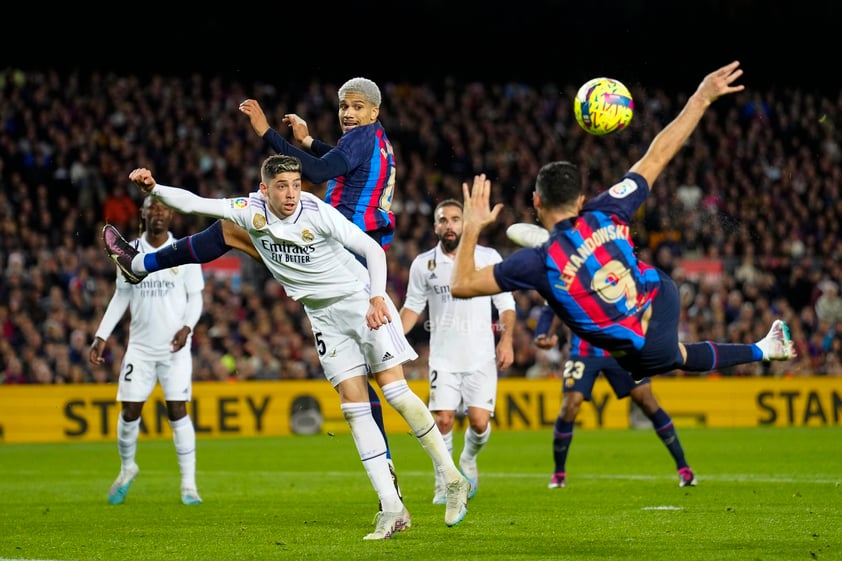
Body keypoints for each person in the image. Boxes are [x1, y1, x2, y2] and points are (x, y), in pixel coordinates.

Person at [118, 155, 470, 540]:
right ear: (264, 188)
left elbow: (373, 251)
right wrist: (155, 189)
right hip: (322, 318)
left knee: (396, 394)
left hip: (358, 302)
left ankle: (452, 479)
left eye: (296, 184)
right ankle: (391, 508)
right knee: (354, 411)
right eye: (282, 186)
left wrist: (376, 298)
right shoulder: (247, 210)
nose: (291, 193)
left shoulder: (316, 212)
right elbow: (194, 203)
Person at [105, 77, 401, 503]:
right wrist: (311, 139)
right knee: (371, 384)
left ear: (374, 112)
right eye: (343, 106)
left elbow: (317, 172)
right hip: (347, 255)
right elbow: (337, 161)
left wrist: (267, 132)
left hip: (338, 256)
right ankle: (394, 475)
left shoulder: (361, 138)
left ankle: (140, 265)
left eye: (356, 107)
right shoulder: (378, 141)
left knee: (229, 229)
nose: (348, 114)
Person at [450, 61, 796, 382]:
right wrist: (701, 97)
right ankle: (764, 348)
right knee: (672, 352)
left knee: (649, 356)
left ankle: (762, 349)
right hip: (660, 293)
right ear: (581, 199)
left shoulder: (534, 262)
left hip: (640, 346)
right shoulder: (607, 209)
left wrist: (472, 229)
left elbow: (461, 285)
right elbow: (659, 152)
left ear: (536, 201)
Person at [90, 196, 205, 506]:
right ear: (142, 214)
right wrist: (101, 335)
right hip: (139, 348)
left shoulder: (185, 250)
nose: (158, 213)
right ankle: (128, 468)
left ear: (170, 214)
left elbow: (195, 298)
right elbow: (121, 296)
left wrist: (187, 327)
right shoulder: (128, 252)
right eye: (152, 209)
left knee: (178, 411)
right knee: (129, 412)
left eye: (163, 209)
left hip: (175, 349)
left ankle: (189, 486)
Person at [399, 199, 516, 504]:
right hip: (444, 357)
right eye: (443, 220)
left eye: (455, 219)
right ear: (435, 226)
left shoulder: (488, 257)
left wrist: (507, 341)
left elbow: (506, 305)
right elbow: (412, 307)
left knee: (479, 422)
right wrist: (392, 339)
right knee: (443, 420)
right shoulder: (424, 264)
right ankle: (444, 482)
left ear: (465, 224)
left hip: (481, 356)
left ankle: (467, 459)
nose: (449, 225)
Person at [533, 306, 697, 488]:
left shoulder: (619, 277)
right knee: (570, 404)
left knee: (647, 400)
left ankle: (684, 468)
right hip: (583, 352)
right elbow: (550, 306)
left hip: (621, 348)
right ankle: (559, 472)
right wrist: (542, 332)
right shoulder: (568, 277)